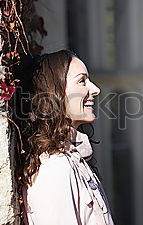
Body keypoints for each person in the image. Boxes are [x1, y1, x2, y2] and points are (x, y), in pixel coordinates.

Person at [17, 50, 115, 225]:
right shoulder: (55, 168)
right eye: (81, 81)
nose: (95, 89)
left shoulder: (73, 159)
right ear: (54, 92)